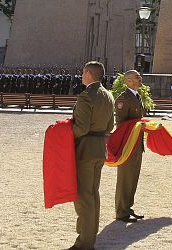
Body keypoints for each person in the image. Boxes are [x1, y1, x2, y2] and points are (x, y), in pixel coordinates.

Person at [70, 61, 115, 250]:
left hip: (86, 148)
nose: (81, 75)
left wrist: (64, 134)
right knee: (93, 193)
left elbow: (81, 127)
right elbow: (109, 126)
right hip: (99, 148)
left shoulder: (86, 96)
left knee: (84, 195)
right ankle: (90, 236)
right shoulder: (108, 95)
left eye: (82, 72)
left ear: (89, 74)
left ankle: (85, 242)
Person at [114, 70, 147, 223]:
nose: (140, 79)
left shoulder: (136, 96)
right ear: (128, 81)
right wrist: (138, 125)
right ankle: (121, 211)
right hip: (127, 144)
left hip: (136, 144)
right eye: (136, 77)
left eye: (139, 77)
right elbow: (120, 124)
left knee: (133, 177)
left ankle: (127, 207)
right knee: (125, 178)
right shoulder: (124, 99)